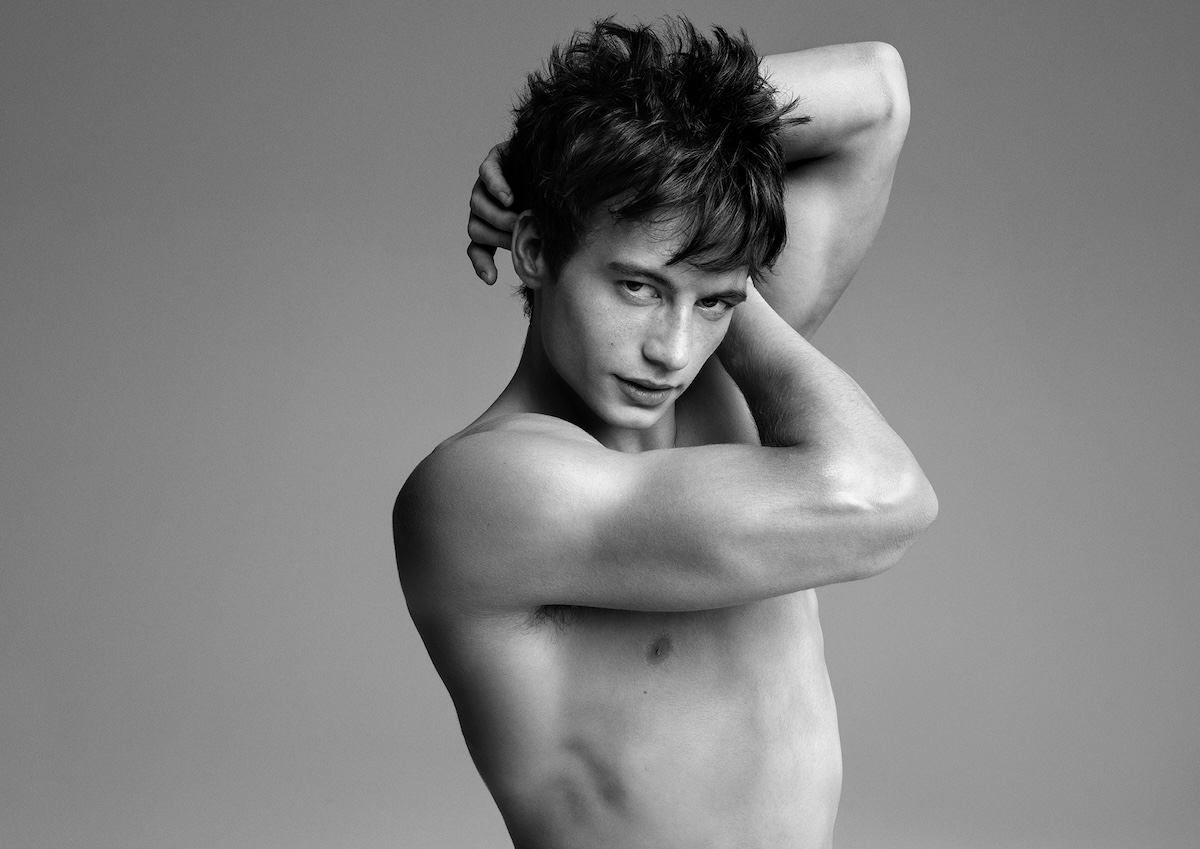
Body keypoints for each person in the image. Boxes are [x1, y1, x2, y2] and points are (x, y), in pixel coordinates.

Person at [395, 17, 936, 849]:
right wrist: (717, 257)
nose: (672, 350)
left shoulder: (721, 380)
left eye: (714, 302)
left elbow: (877, 93)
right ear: (535, 247)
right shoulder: (481, 489)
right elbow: (887, 498)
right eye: (640, 287)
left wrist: (622, 156)